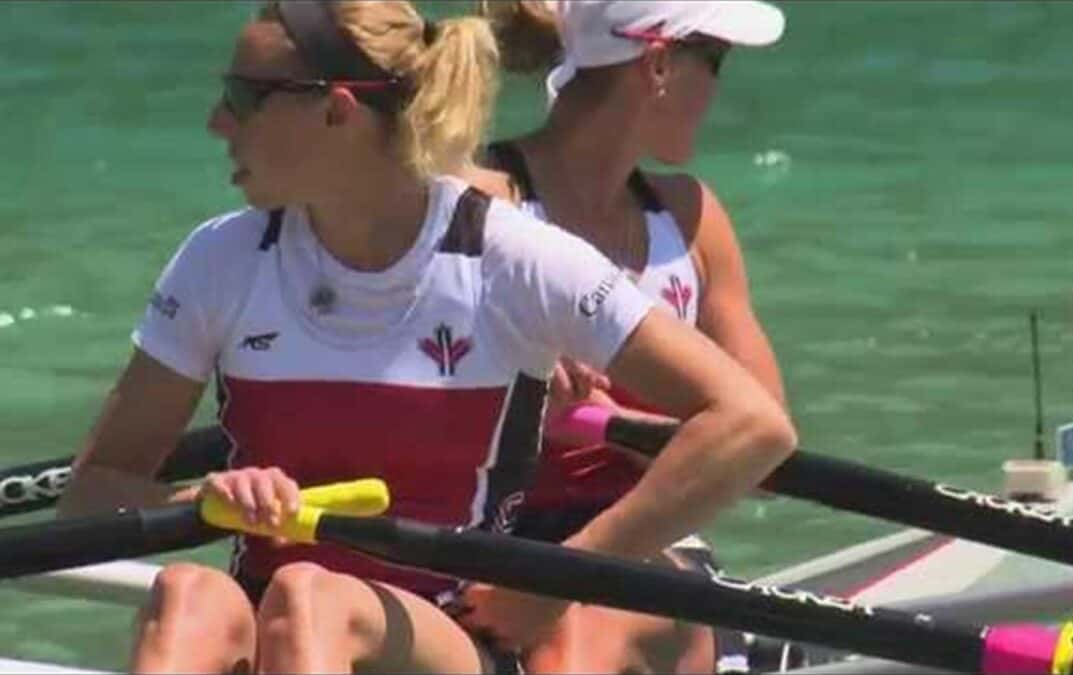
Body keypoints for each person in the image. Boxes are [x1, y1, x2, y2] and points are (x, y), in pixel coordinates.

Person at [58, 1, 796, 673]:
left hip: (454, 630)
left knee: (314, 596)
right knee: (189, 593)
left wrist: (560, 578)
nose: (218, 121)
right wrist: (208, 494)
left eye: (245, 97)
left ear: (337, 113)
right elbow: (91, 496)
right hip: (275, 610)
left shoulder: (511, 258)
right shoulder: (218, 258)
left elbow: (752, 424)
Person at [469, 1, 790, 672]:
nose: (719, 89)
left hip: (645, 536)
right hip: (485, 538)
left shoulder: (691, 219)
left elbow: (768, 464)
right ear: (660, 63)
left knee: (577, 643)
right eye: (717, 60)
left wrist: (618, 424)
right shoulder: (481, 203)